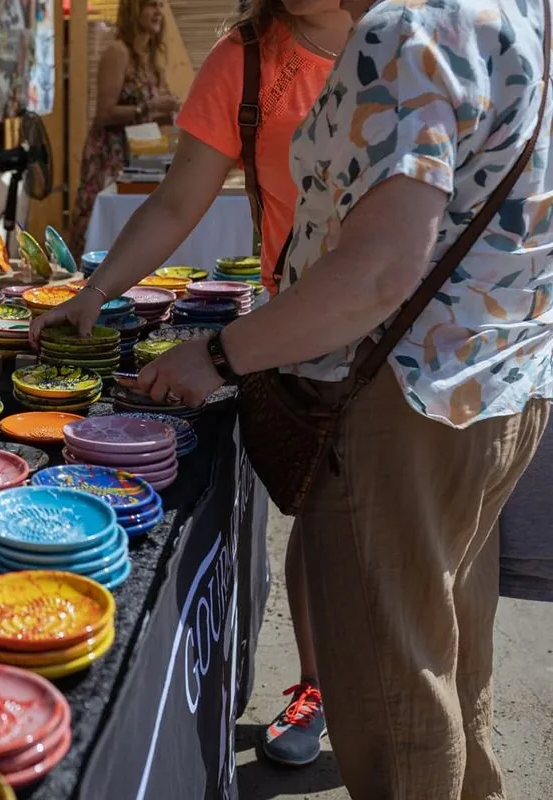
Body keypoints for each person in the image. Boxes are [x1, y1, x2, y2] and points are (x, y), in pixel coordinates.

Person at [138, 1, 552, 796]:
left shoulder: (405, 28)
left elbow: (376, 273)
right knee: (445, 660)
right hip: (490, 384)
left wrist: (219, 357)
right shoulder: (510, 7)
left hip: (401, 399)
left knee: (398, 703)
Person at [31, 0, 350, 768]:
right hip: (302, 332)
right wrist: (94, 291)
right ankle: (316, 684)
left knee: (415, 551)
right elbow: (178, 200)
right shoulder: (242, 59)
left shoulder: (410, 34)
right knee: (323, 514)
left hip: (421, 336)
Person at [68, 0, 179, 255]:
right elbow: (104, 113)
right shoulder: (117, 53)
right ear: (133, 10)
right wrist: (150, 107)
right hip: (109, 154)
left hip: (138, 157)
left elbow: (149, 113)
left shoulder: (150, 59)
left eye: (161, 6)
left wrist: (169, 110)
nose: (158, 13)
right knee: (98, 226)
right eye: (151, 6)